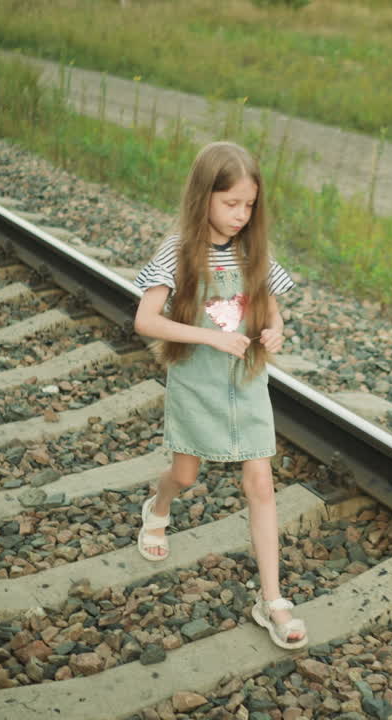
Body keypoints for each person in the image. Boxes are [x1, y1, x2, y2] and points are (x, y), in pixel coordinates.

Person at [132, 141, 306, 650]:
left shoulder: (254, 250)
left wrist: (275, 329)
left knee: (261, 485)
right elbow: (146, 320)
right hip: (198, 384)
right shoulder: (177, 251)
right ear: (204, 196)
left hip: (248, 384)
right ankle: (158, 506)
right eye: (231, 203)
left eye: (249, 205)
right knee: (186, 475)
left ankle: (271, 600)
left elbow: (272, 309)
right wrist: (210, 335)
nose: (241, 215)